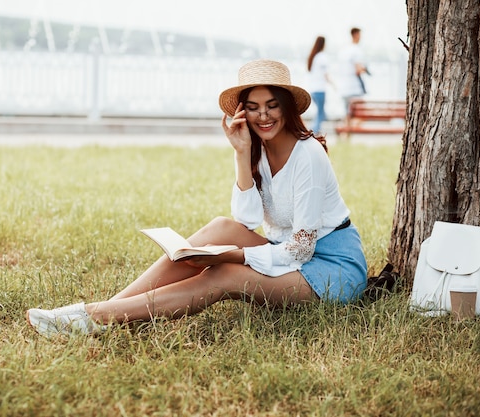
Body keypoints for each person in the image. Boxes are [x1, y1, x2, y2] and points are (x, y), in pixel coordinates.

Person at [25, 59, 368, 339]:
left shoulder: (308, 155)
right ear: (242, 113)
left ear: (288, 108)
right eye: (253, 108)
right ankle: (107, 308)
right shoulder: (258, 149)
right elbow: (245, 220)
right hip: (289, 256)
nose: (263, 116)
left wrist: (234, 255)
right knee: (220, 227)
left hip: (328, 270)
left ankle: (97, 318)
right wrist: (241, 153)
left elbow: (301, 249)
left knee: (223, 274)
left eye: (272, 106)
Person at [337, 28, 369, 116]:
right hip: (354, 89)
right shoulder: (357, 50)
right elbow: (358, 69)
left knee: (347, 115)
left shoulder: (343, 50)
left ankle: (347, 129)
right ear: (356, 35)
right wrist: (365, 69)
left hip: (343, 88)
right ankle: (355, 130)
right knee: (359, 115)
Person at [306, 36, 334, 135]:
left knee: (321, 113)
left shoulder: (314, 56)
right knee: (320, 113)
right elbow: (326, 75)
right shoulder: (322, 57)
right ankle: (314, 132)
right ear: (324, 44)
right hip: (320, 90)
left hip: (313, 89)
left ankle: (313, 130)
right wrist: (333, 85)